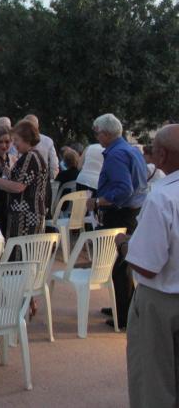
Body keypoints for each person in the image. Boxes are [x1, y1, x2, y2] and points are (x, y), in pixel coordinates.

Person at [124, 124, 179, 407]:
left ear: (163, 155)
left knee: (154, 384)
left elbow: (147, 266)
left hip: (162, 302)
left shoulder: (162, 196)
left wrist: (125, 245)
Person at [85, 113, 148, 329]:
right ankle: (123, 306)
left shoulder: (116, 155)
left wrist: (98, 201)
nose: (97, 137)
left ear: (106, 133)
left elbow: (123, 189)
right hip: (132, 212)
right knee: (122, 263)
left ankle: (123, 315)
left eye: (97, 133)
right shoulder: (131, 150)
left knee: (119, 266)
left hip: (120, 213)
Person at [0, 119, 49, 240]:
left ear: (26, 139)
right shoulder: (33, 156)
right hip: (26, 214)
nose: (14, 144)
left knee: (19, 251)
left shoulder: (29, 157)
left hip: (25, 216)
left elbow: (18, 186)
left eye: (16, 140)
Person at [23, 114, 60, 180]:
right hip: (43, 178)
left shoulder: (19, 140)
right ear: (37, 126)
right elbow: (54, 164)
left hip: (23, 178)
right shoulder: (48, 141)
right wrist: (51, 178)